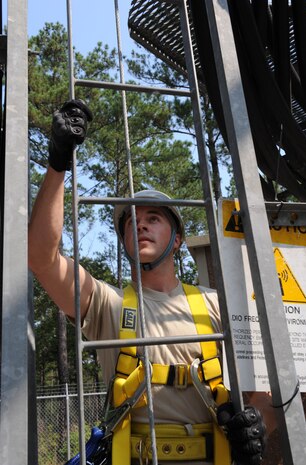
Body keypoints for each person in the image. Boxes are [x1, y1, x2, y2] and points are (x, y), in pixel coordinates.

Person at [29, 100, 268, 465]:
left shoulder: (216, 305)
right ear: (123, 240)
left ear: (177, 240)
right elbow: (41, 257)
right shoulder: (109, 305)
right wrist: (58, 163)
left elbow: (262, 383)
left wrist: (256, 425)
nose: (140, 224)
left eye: (153, 218)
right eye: (131, 222)